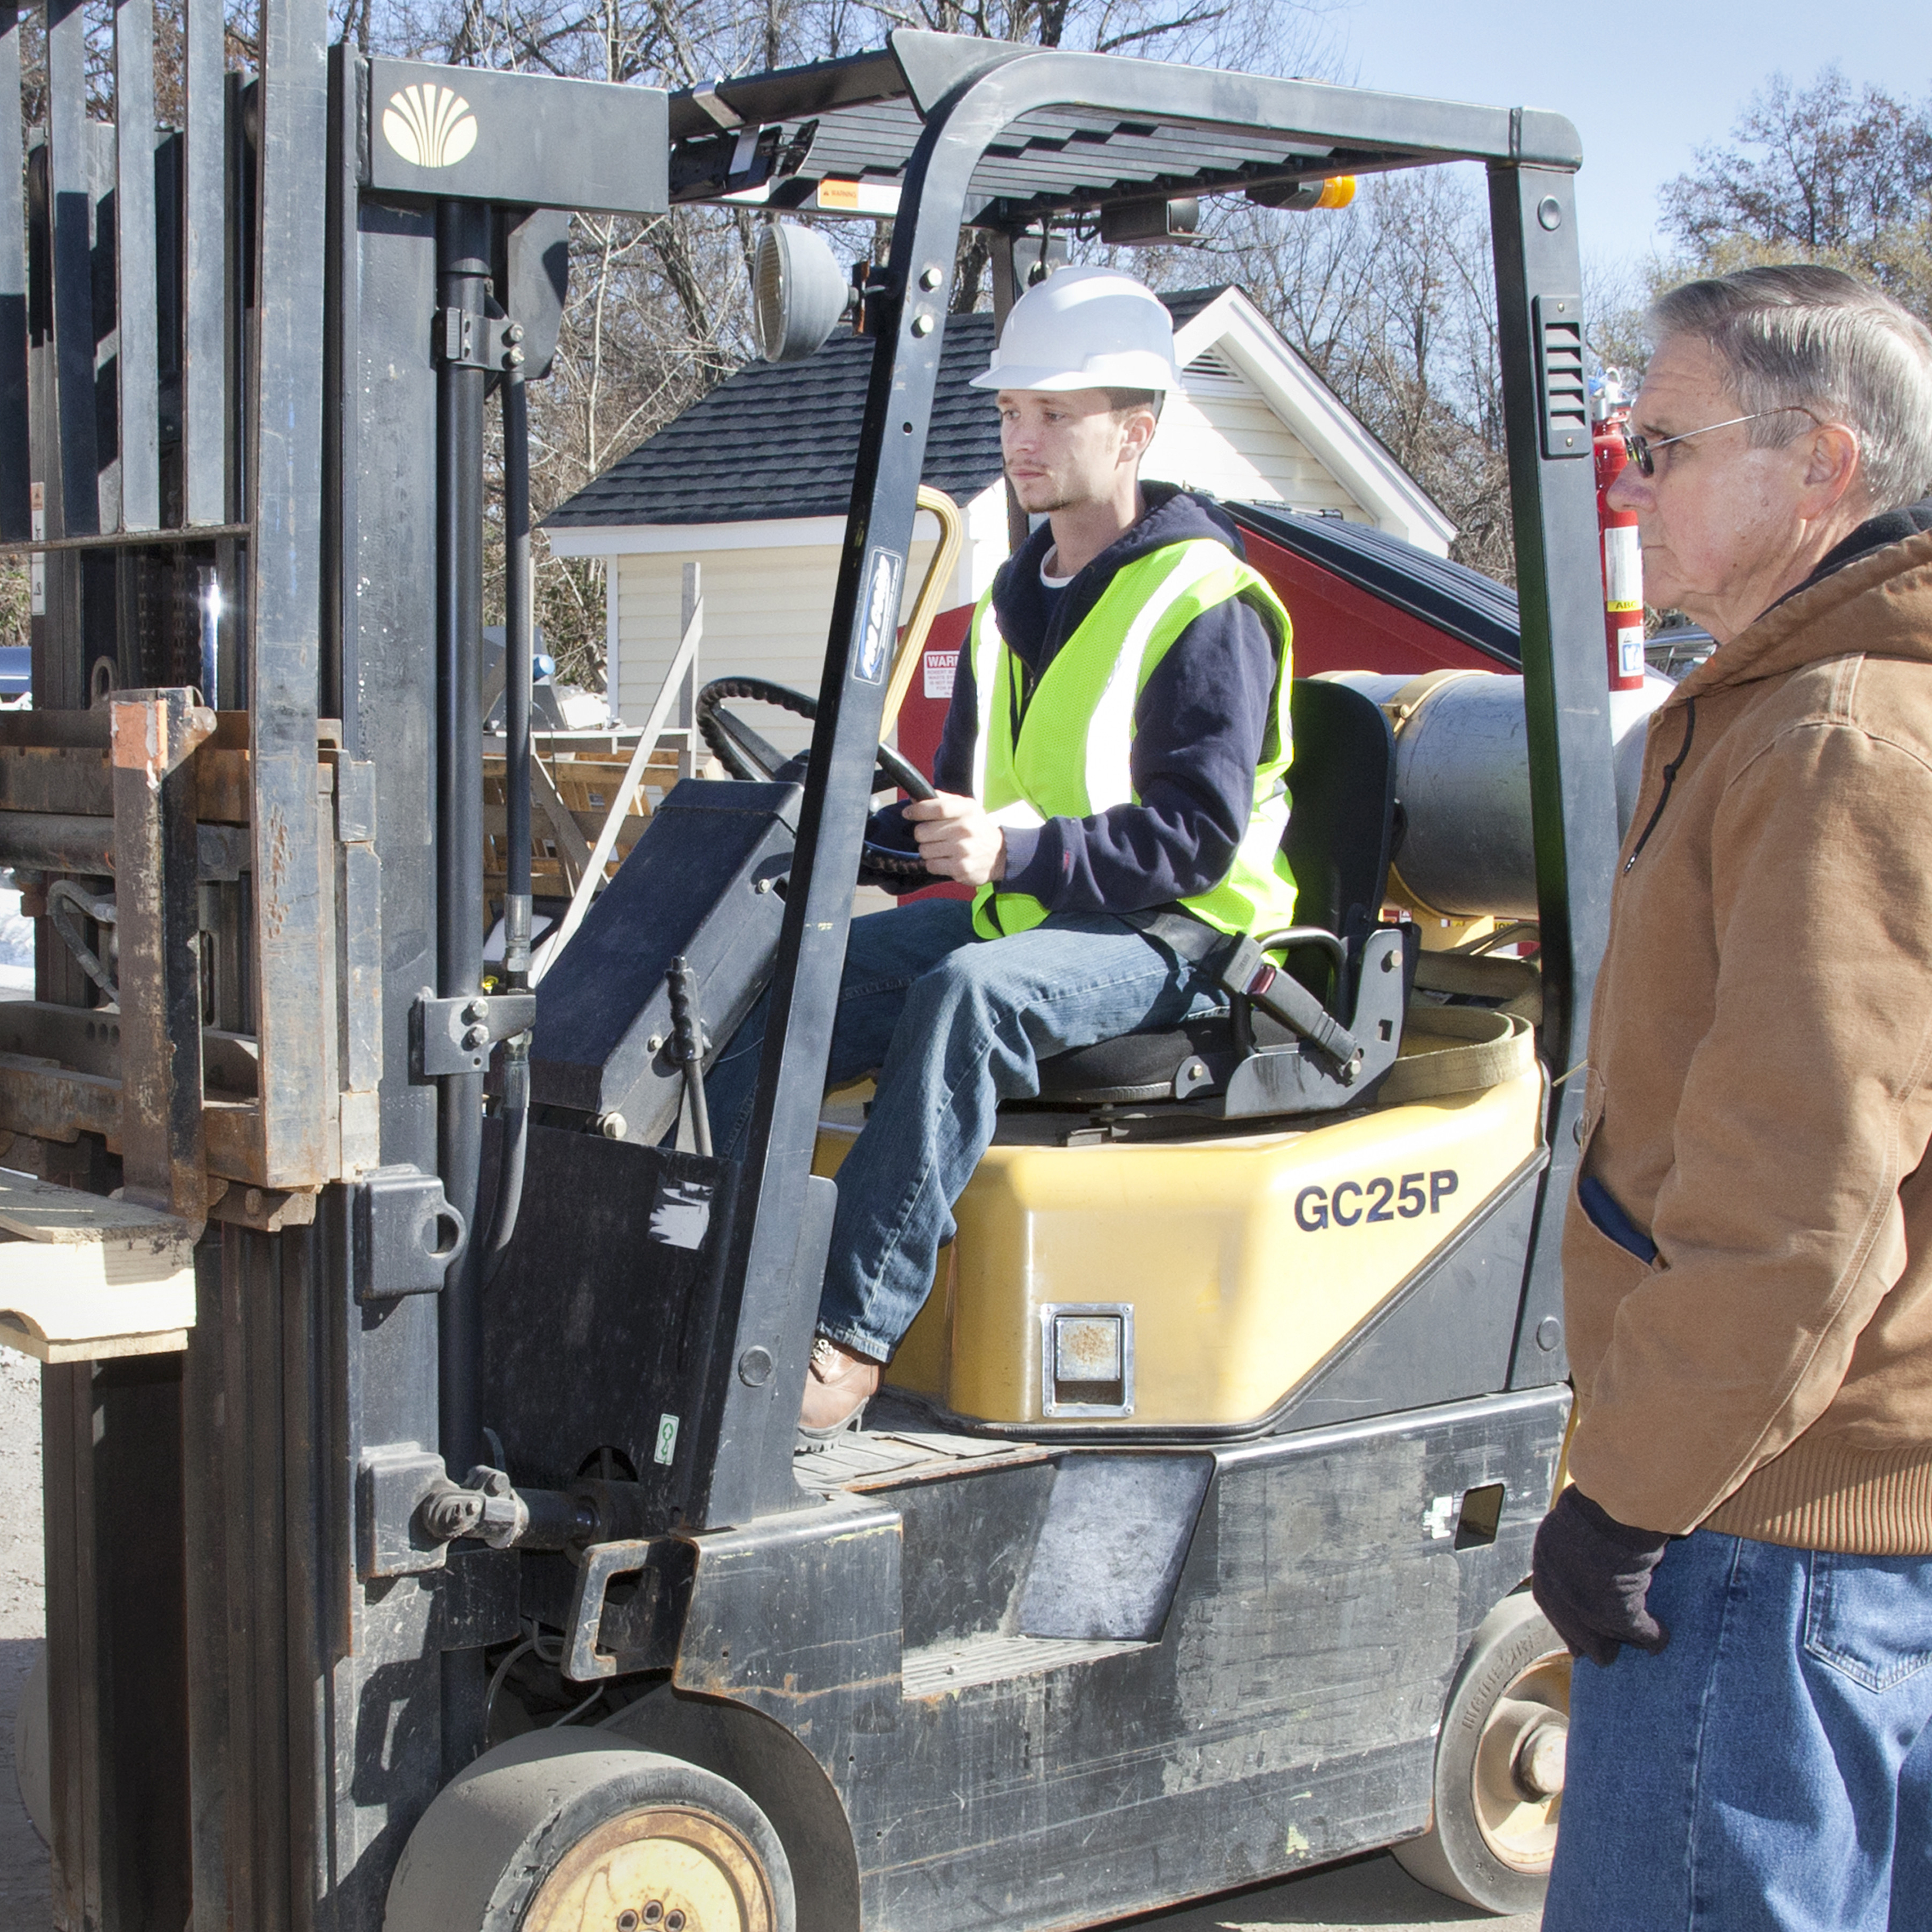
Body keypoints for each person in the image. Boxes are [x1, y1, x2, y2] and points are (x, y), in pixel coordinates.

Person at [705, 266, 1296, 1441]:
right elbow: (963, 809)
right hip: (1036, 914)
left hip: (1183, 935)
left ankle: (851, 1329)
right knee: (786, 974)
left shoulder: (1205, 600)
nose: (1022, 440)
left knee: (968, 999)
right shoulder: (1018, 595)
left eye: (1053, 415)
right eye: (1011, 412)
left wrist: (1011, 854)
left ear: (1136, 430)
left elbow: (1196, 835)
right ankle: (706, 1271)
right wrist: (821, 839)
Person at [1532, 264, 1932, 1930]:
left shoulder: (1831, 733)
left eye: (1665, 441)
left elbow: (1794, 1196)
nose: (1632, 480)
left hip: (1764, 1535)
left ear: (1816, 464)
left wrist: (1626, 1486)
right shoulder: (1821, 703)